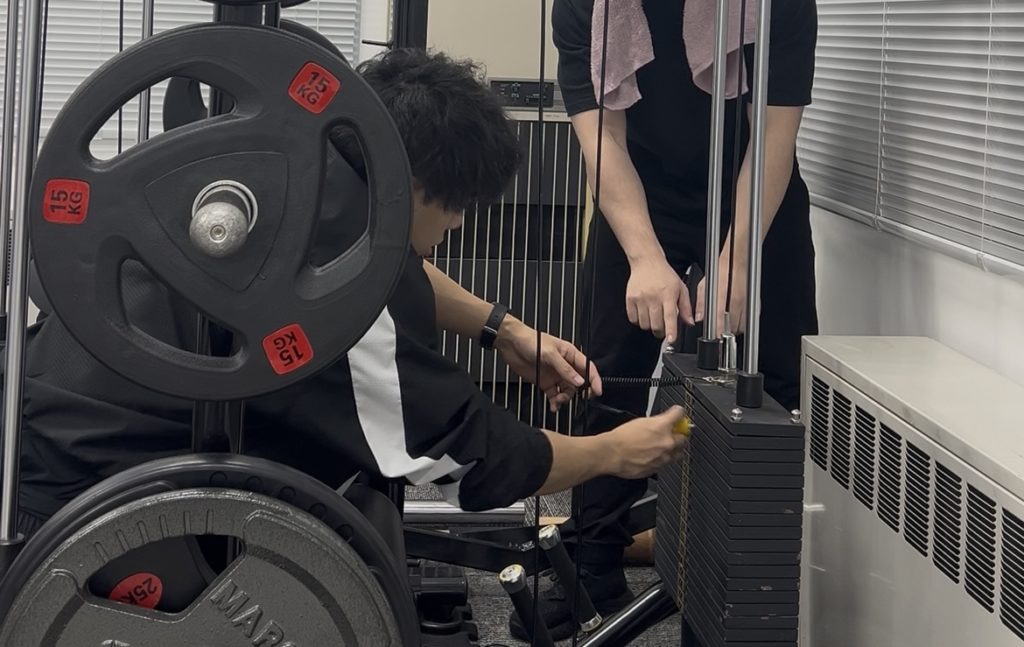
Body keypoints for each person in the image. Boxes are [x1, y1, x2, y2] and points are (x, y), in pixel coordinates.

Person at [13, 47, 688, 540]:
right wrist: (614, 452)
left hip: (47, 418)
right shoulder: (340, 289)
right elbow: (467, 455)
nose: (456, 227)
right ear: (416, 186)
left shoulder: (309, 179)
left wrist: (502, 328)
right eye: (458, 209)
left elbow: (378, 265)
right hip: (95, 495)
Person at [512, 0, 820, 640]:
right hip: (638, 189)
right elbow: (601, 140)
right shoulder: (585, 7)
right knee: (605, 374)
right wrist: (645, 258)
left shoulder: (778, 6)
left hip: (754, 188)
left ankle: (759, 582)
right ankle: (593, 566)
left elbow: (774, 136)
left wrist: (737, 261)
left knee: (779, 385)